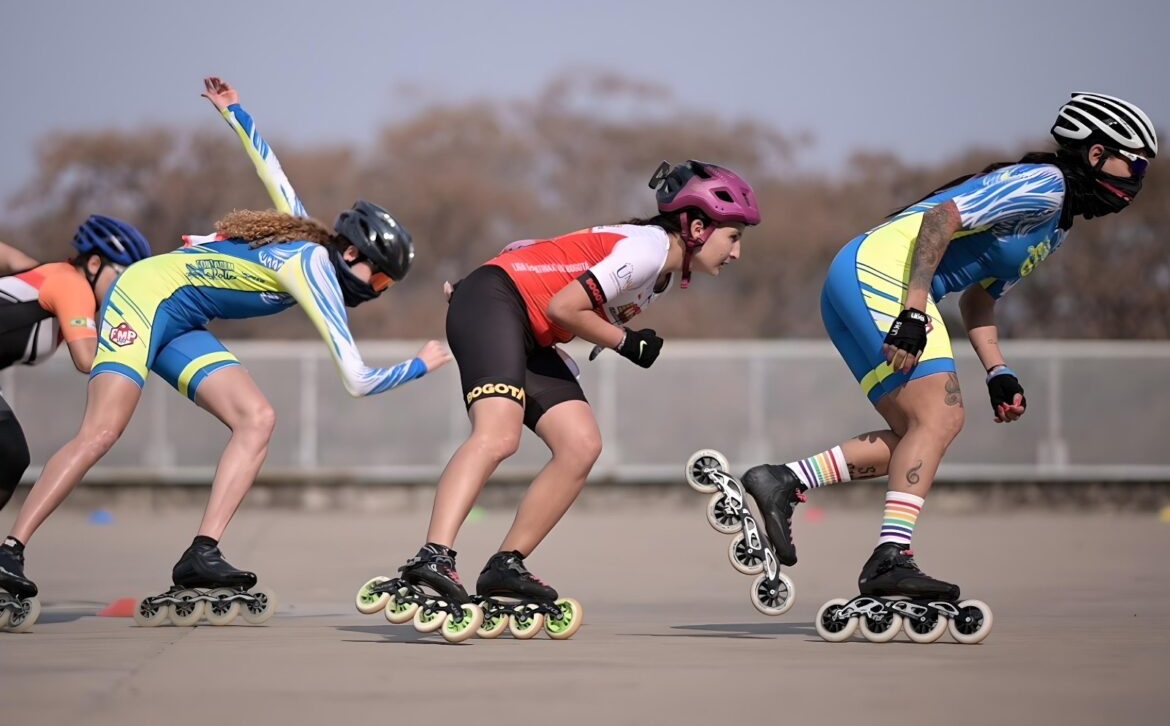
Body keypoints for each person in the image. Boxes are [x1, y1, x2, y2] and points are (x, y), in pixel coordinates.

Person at [0, 77, 450, 626]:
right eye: (378, 279)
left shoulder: (308, 233)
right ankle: (10, 551)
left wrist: (236, 114)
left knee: (256, 418)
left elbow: (272, 170)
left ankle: (201, 555)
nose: (376, 291)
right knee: (101, 432)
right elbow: (355, 380)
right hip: (147, 293)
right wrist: (420, 365)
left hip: (183, 316)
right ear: (351, 252)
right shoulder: (319, 273)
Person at [741, 92, 1156, 639]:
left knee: (917, 430)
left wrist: (998, 370)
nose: (1138, 179)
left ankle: (783, 481)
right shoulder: (1044, 184)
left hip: (864, 279)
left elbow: (979, 300)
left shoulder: (1056, 224)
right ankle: (891, 556)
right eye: (1136, 163)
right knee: (943, 417)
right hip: (882, 273)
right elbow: (942, 218)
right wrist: (914, 307)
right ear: (1098, 154)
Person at [364, 158, 761, 639]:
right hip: (497, 305)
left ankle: (505, 565)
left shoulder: (657, 272)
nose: (737, 252)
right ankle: (435, 555)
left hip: (528, 328)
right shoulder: (647, 251)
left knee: (581, 445)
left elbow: (533, 253)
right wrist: (626, 341)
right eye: (733, 237)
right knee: (498, 435)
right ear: (697, 227)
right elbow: (563, 306)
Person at [0, 216, 152, 511]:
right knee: (9, 452)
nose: (128, 289)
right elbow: (86, 359)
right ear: (94, 265)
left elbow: (8, 256)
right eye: (123, 277)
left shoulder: (44, 274)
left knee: (9, 454)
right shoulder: (72, 285)